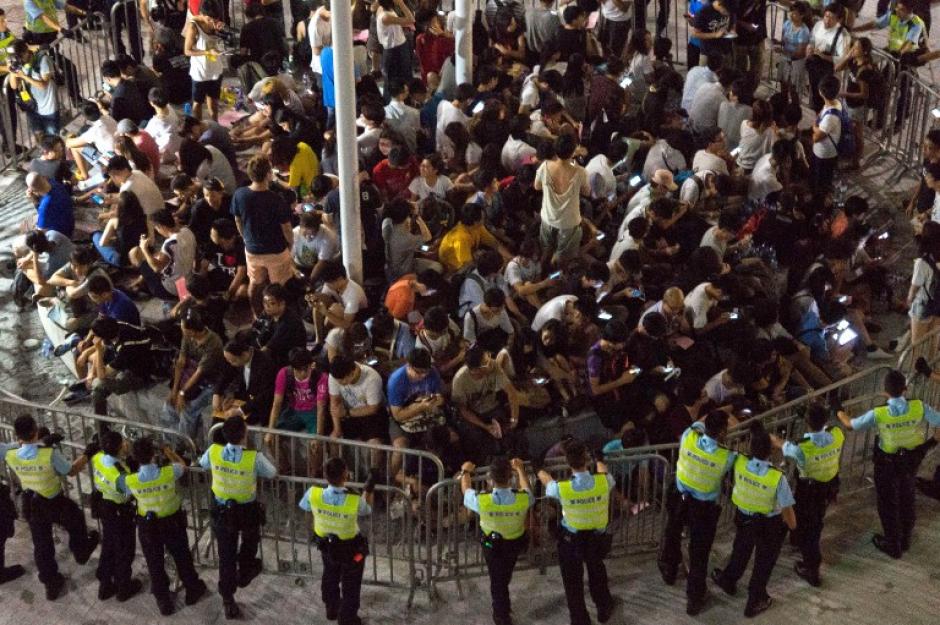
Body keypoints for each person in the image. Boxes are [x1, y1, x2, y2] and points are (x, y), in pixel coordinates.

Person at [836, 369, 940, 558]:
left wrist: (838, 410)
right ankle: (905, 539)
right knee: (907, 497)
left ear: (885, 391)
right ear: (905, 388)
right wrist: (931, 442)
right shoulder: (918, 406)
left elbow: (851, 425)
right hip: (910, 461)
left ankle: (893, 545)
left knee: (887, 503)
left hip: (887, 463)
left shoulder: (880, 413)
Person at [0, 414, 99, 600]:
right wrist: (88, 453)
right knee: (76, 518)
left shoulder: (9, 453)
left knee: (42, 544)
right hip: (53, 501)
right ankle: (81, 551)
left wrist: (40, 442)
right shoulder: (48, 453)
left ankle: (50, 583)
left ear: (17, 435)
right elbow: (71, 471)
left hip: (30, 503)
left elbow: (17, 447)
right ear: (36, 430)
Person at [711, 422, 797, 618]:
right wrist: (792, 527)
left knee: (740, 551)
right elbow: (788, 511)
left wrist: (756, 434)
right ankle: (755, 599)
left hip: (744, 519)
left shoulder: (740, 462)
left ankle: (728, 580)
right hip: (769, 524)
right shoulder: (777, 478)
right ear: (772, 451)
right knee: (763, 562)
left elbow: (737, 452)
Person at [198, 416, 277, 619]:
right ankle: (244, 572)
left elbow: (202, 463)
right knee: (250, 542)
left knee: (226, 556)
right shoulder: (253, 457)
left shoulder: (214, 451)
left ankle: (228, 599)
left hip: (222, 512)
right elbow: (272, 472)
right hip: (246, 512)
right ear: (244, 435)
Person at [658, 410, 735, 615]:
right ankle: (695, 597)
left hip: (679, 498)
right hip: (702, 509)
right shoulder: (725, 457)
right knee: (699, 553)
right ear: (723, 432)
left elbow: (698, 424)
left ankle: (669, 570)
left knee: (673, 534)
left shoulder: (688, 437)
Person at [122, 437, 208, 615]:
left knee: (154, 562)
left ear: (135, 457)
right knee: (182, 556)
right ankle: (192, 588)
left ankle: (163, 600)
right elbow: (183, 465)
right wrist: (168, 451)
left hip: (148, 525)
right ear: (153, 454)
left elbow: (123, 490)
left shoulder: (131, 480)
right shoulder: (168, 472)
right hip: (172, 522)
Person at [536, 439, 616, 625]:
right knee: (597, 573)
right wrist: (599, 459)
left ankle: (580, 619)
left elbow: (548, 482)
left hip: (571, 541)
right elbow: (604, 473)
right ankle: (604, 608)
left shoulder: (563, 488)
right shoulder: (603, 482)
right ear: (586, 458)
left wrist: (538, 468)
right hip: (596, 539)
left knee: (572, 582)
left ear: (567, 461)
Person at [771, 403, 843, 586]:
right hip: (828, 488)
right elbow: (828, 427)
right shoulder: (837, 434)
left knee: (809, 530)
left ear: (807, 423)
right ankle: (797, 539)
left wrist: (766, 435)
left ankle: (812, 570)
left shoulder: (802, 448)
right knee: (813, 520)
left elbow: (780, 444)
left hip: (809, 492)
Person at [299, 456, 374, 625]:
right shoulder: (354, 499)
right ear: (345, 474)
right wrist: (369, 489)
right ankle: (347, 618)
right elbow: (366, 510)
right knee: (351, 584)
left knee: (330, 574)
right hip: (351, 550)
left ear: (325, 475)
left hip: (326, 546)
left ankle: (331, 608)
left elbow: (304, 505)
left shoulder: (313, 493)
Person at [460, 456, 533, 625]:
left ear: (490, 478)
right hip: (514, 543)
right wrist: (520, 469)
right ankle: (502, 607)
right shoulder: (522, 498)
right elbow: (527, 489)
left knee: (497, 579)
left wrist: (465, 471)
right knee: (503, 575)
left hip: (491, 545)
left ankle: (501, 616)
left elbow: (466, 490)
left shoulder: (483, 500)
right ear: (510, 476)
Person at [231, 155, 294, 315]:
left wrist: (245, 237)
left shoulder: (240, 195)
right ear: (268, 174)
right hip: (276, 250)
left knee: (255, 283)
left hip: (252, 249)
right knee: (277, 287)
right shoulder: (276, 199)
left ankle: (256, 314)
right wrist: (291, 243)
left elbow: (238, 220)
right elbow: (286, 227)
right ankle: (277, 316)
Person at [88, 429, 142, 602]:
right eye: (123, 443)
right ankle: (123, 587)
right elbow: (130, 491)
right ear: (119, 447)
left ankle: (105, 585)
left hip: (105, 507)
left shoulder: (98, 458)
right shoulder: (119, 473)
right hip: (120, 512)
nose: (126, 444)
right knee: (125, 550)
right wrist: (135, 471)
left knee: (109, 546)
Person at [162, 312, 225, 444]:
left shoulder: (214, 343)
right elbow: (181, 362)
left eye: (183, 327)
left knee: (188, 409)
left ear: (192, 330)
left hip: (209, 383)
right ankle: (169, 443)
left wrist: (182, 393)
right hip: (190, 376)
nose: (181, 329)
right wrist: (175, 390)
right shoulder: (187, 337)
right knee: (169, 405)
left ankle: (184, 445)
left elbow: (199, 373)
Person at [128, 208, 197, 300]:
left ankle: (143, 288)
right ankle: (140, 281)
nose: (157, 231)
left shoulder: (169, 244)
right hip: (188, 278)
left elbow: (157, 268)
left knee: (144, 264)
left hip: (173, 288)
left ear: (161, 226)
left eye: (156, 228)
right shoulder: (187, 231)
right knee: (153, 259)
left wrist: (144, 249)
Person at [214, 338, 278, 426]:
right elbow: (226, 373)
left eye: (233, 361)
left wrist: (241, 410)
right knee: (217, 419)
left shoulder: (266, 364)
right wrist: (217, 393)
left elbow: (265, 395)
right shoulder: (236, 358)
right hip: (243, 397)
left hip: (259, 404)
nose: (231, 364)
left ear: (244, 355)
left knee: (232, 423)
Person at [184, 0, 226, 120]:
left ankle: (215, 123)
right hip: (200, 72)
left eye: (215, 19)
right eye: (209, 19)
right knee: (198, 102)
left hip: (215, 69)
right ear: (202, 14)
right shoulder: (193, 26)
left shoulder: (216, 22)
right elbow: (187, 51)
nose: (212, 22)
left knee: (213, 99)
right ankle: (198, 125)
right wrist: (207, 52)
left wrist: (221, 31)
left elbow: (226, 42)